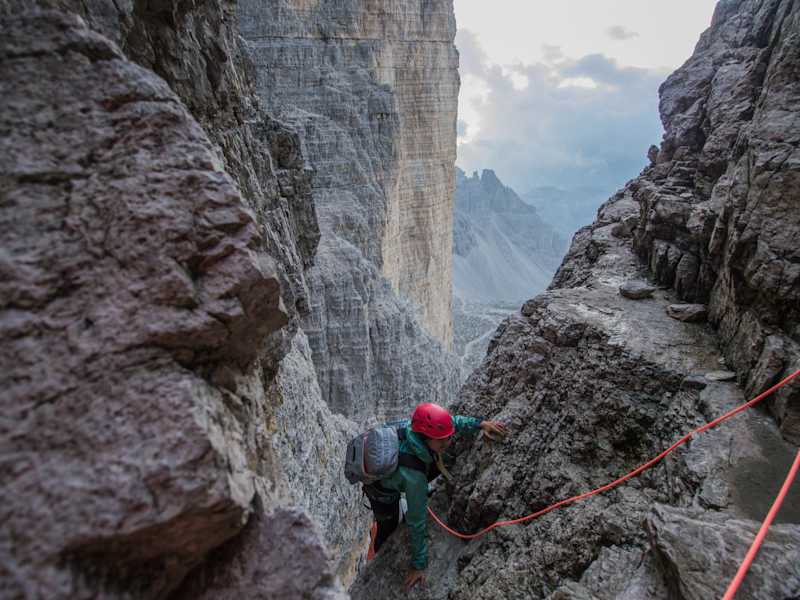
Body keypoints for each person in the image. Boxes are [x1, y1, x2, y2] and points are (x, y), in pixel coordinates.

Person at [363, 402, 508, 590]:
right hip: (381, 493)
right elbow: (416, 521)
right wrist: (419, 565)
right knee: (387, 526)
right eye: (442, 441)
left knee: (431, 466)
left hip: (403, 469)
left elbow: (452, 423)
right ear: (425, 438)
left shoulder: (415, 428)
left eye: (447, 438)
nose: (447, 443)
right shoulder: (414, 477)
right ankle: (378, 552)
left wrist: (481, 424)